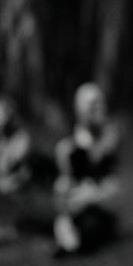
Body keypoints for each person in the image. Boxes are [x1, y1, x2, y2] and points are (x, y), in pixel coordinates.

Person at [52, 82, 121, 256]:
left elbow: (114, 185)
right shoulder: (67, 147)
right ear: (80, 110)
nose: (100, 109)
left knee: (94, 226)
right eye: (93, 105)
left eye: (101, 103)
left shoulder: (109, 143)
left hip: (99, 208)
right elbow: (63, 185)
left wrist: (92, 196)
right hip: (75, 209)